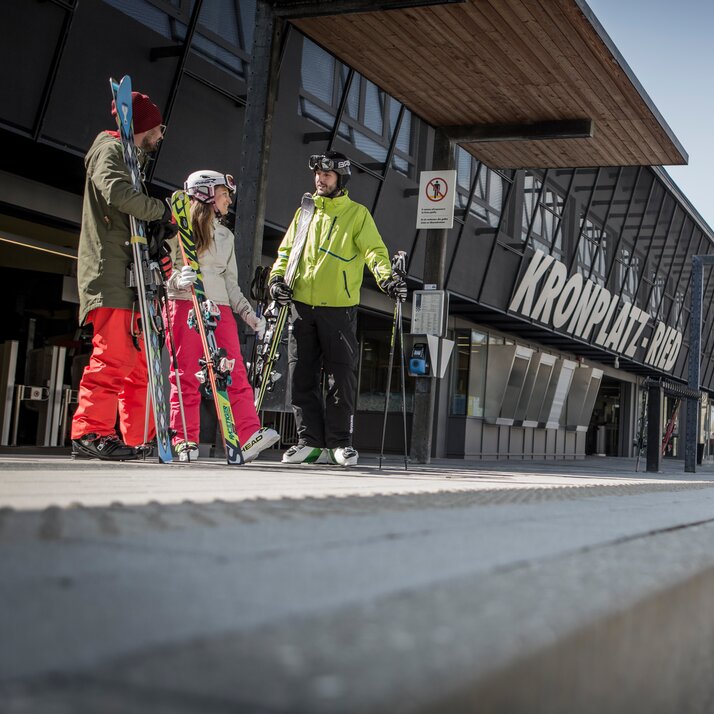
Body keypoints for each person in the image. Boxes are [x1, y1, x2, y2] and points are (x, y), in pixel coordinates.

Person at [268, 151, 407, 466]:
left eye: (327, 175)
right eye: (317, 174)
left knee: (339, 377)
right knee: (300, 375)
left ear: (340, 178)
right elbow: (286, 250)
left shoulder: (357, 215)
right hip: (302, 304)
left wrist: (387, 279)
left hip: (340, 308)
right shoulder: (305, 212)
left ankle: (340, 444)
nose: (320, 180)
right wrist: (276, 278)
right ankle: (309, 442)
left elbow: (374, 251)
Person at [71, 90, 176, 461]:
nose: (161, 136)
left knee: (140, 362)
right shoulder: (109, 150)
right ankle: (90, 430)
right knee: (113, 356)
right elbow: (116, 192)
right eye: (158, 128)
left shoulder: (131, 159)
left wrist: (155, 238)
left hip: (131, 274)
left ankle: (139, 436)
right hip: (110, 271)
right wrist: (161, 211)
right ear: (144, 126)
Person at [165, 170, 280, 463]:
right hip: (184, 304)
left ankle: (247, 434)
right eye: (224, 193)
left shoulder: (226, 236)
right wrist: (176, 281)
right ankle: (184, 438)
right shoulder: (177, 229)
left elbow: (231, 283)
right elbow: (163, 272)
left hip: (220, 309)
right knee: (185, 375)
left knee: (234, 372)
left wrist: (247, 314)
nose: (230, 199)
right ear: (206, 194)